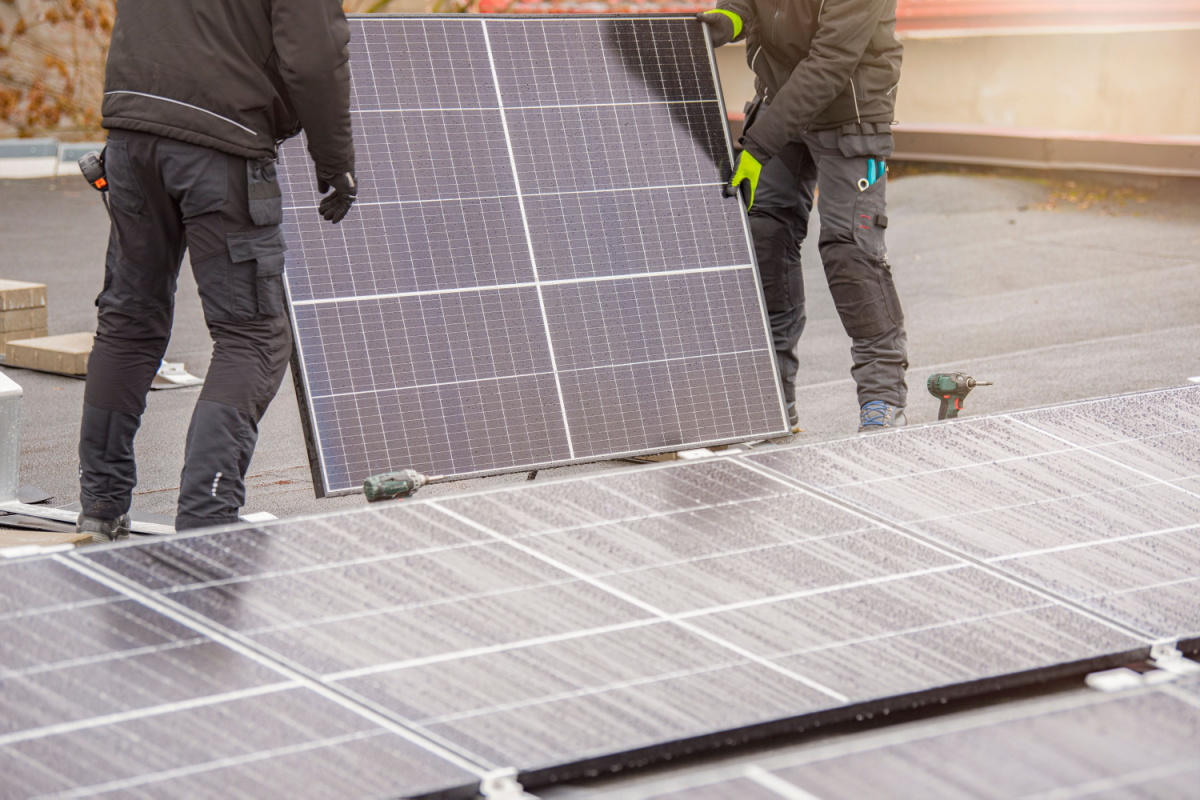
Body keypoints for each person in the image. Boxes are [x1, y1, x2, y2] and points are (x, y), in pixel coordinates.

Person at [77, 0, 359, 541]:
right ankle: (206, 524)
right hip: (220, 142)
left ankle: (100, 508)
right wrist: (334, 159)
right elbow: (315, 55)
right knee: (253, 338)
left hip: (132, 131)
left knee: (129, 321)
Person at [699, 0, 909, 434]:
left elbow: (830, 64)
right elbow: (745, 6)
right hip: (779, 102)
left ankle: (882, 396)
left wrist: (757, 148)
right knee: (765, 236)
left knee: (849, 249)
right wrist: (727, 21)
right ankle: (773, 400)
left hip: (851, 111)